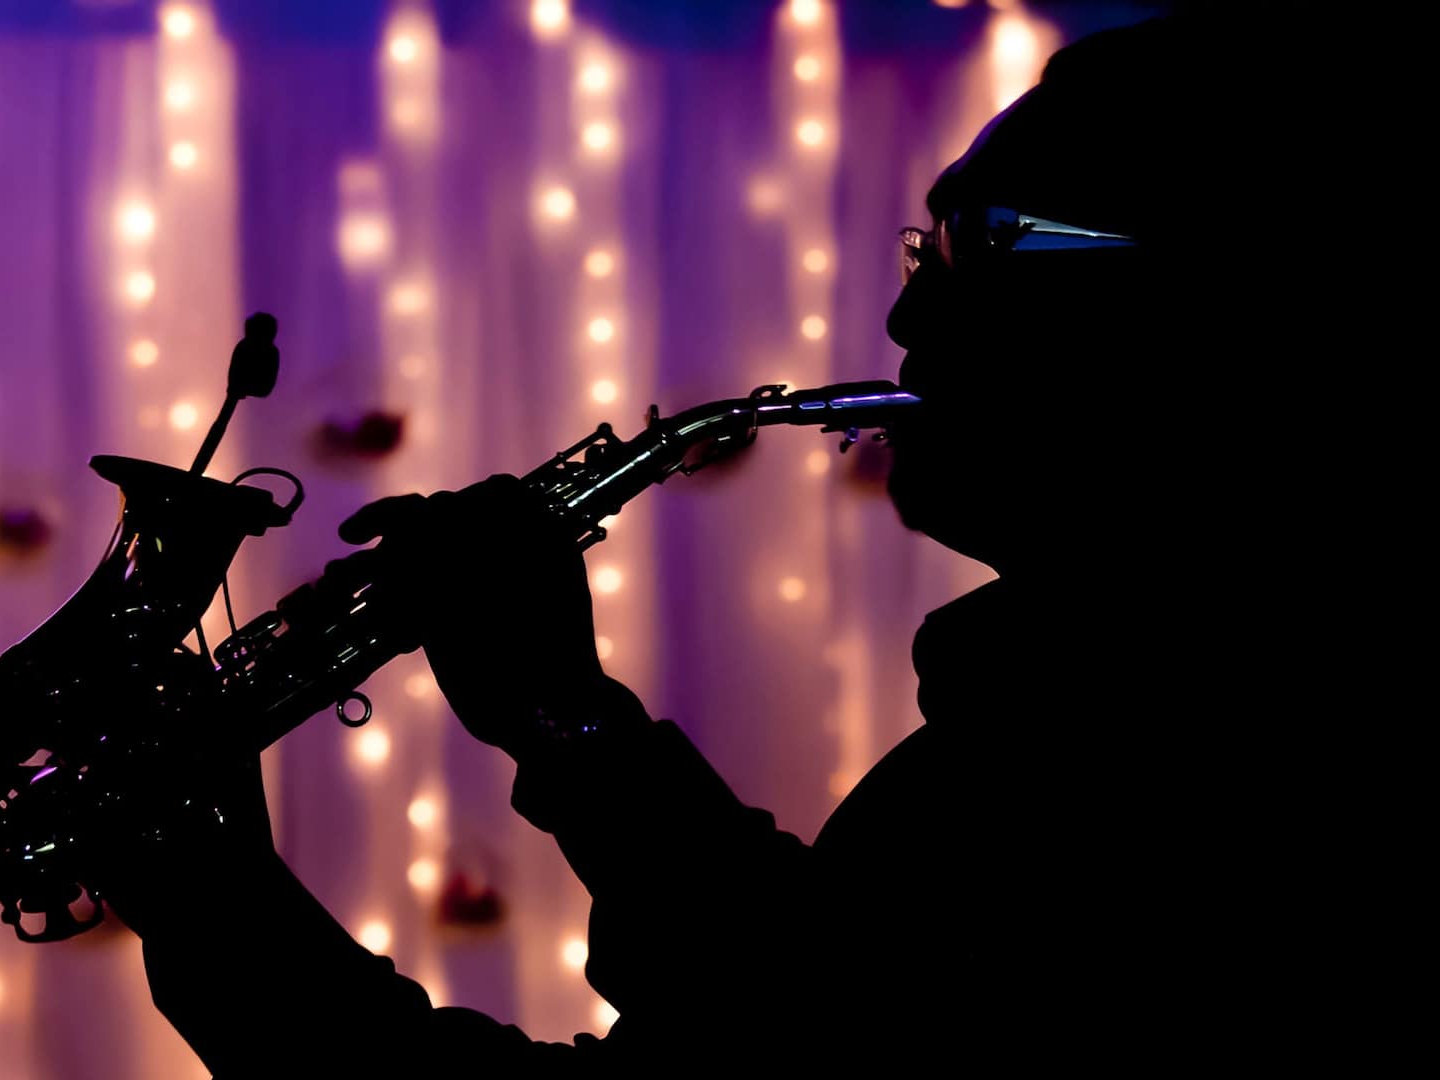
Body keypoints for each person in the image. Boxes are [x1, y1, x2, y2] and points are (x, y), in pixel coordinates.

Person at [112, 14, 1322, 1071]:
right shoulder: (1020, 723)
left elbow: (820, 1038)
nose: (903, 311)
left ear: (1215, 306)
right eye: (924, 243)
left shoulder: (1179, 758)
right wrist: (217, 909)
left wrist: (567, 721)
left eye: (984, 242)